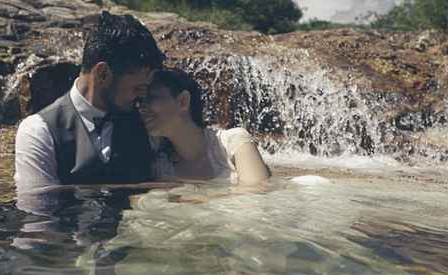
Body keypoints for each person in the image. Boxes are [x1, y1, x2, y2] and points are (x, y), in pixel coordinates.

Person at [14, 12, 164, 194]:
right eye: (137, 88)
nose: (143, 96)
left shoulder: (149, 122)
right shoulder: (39, 132)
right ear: (102, 73)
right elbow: (39, 215)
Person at [138, 68, 271, 186]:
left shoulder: (235, 143)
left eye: (152, 98)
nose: (141, 107)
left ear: (183, 101)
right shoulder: (160, 165)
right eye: (141, 101)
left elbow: (257, 197)